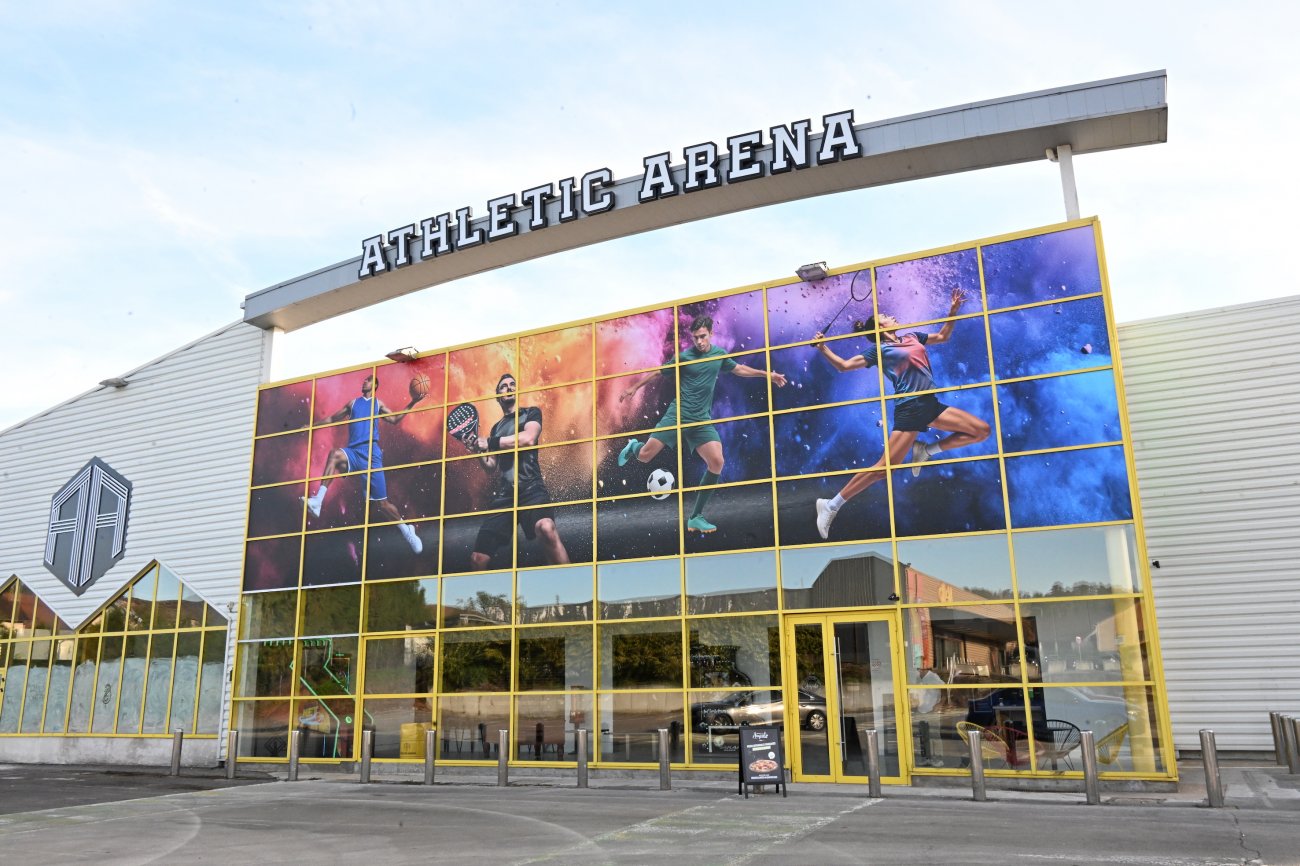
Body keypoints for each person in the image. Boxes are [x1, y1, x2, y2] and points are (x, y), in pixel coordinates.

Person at [812, 289, 990, 540]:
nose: (891, 316)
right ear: (879, 327)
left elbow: (943, 336)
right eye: (885, 316)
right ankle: (830, 505)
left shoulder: (912, 336)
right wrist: (823, 348)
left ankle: (926, 451)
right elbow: (843, 366)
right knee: (883, 469)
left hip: (930, 404)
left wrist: (952, 311)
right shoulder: (879, 351)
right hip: (910, 408)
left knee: (981, 431)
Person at [617, 315, 787, 533]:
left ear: (711, 334)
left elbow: (739, 369)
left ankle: (695, 517)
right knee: (644, 456)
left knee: (717, 461)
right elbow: (659, 372)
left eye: (703, 336)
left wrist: (767, 375)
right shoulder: (684, 358)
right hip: (678, 415)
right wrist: (634, 388)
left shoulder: (719, 355)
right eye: (696, 337)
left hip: (701, 420)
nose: (699, 341)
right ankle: (634, 446)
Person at [304, 374, 426, 553]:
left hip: (370, 455)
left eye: (368, 380)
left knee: (382, 505)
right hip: (354, 452)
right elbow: (332, 419)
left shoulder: (377, 404)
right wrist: (312, 426)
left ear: (374, 385)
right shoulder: (353, 403)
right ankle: (317, 501)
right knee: (334, 455)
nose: (364, 382)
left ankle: (407, 530)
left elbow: (394, 419)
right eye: (364, 380)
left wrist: (412, 402)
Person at [465, 373, 570, 569]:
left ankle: (570, 578)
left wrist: (490, 442)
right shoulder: (496, 428)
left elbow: (528, 438)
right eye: (504, 386)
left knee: (546, 528)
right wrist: (479, 450)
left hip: (532, 489)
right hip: (506, 496)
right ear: (498, 396)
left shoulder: (531, 413)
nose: (509, 387)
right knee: (477, 558)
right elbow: (491, 466)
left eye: (512, 384)